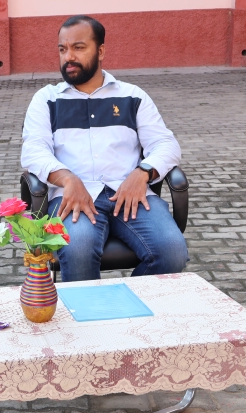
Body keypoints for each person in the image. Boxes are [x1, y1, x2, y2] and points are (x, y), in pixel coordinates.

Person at [20, 15, 187, 282]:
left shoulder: (132, 96)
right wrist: (68, 179)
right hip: (72, 197)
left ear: (101, 51)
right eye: (63, 49)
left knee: (172, 251)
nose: (68, 57)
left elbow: (165, 144)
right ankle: (90, 309)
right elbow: (34, 151)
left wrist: (142, 173)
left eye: (78, 47)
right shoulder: (47, 100)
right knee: (78, 248)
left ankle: (128, 304)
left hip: (129, 193)